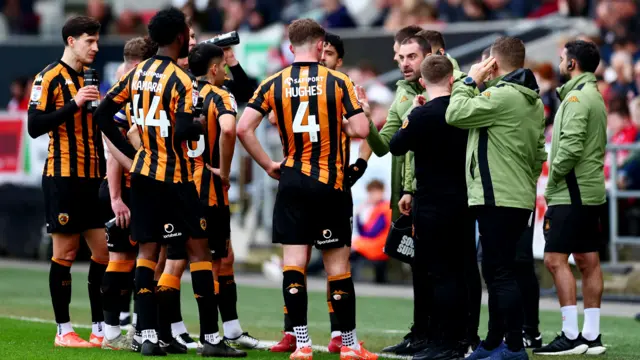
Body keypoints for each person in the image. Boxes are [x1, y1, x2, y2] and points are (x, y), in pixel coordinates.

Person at [94, 7, 245, 357]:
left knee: (147, 254)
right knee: (198, 252)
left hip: (145, 177)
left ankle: (147, 335)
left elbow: (103, 114)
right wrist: (193, 125)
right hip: (177, 178)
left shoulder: (138, 73)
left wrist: (130, 156)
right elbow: (181, 130)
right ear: (180, 37)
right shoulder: (184, 81)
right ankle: (211, 339)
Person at [237, 18, 375, 360]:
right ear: (319, 46)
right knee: (337, 269)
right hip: (330, 182)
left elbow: (243, 128)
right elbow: (360, 129)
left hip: (293, 180)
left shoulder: (273, 82)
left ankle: (301, 345)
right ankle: (349, 346)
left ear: (289, 47)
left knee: (293, 264)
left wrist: (269, 164)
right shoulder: (340, 81)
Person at [446, 36, 547, 360]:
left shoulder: (503, 95)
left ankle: (514, 347)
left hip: (498, 197)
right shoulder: (529, 98)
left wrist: (469, 79)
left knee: (500, 273)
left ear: (493, 63)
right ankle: (493, 342)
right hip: (514, 197)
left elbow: (456, 113)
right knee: (497, 270)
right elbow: (538, 154)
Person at [27, 15, 108, 348]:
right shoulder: (49, 77)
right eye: (89, 41)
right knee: (67, 251)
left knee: (104, 253)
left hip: (92, 177)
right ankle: (64, 330)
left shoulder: (90, 79)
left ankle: (101, 328)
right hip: (63, 175)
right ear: (71, 41)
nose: (96, 47)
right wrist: (75, 105)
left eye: (97, 41)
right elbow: (34, 125)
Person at [390, 54, 473, 360]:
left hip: (431, 206)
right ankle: (460, 339)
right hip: (464, 202)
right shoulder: (464, 111)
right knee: (459, 273)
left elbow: (395, 145)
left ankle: (444, 343)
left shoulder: (422, 115)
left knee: (439, 275)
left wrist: (411, 112)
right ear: (452, 78)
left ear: (422, 82)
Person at [271, 31, 346, 353]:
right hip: (317, 181)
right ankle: (294, 332)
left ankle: (338, 333)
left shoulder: (342, 85)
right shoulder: (302, 86)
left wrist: (357, 167)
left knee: (334, 264)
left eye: (329, 53)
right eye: (322, 50)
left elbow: (366, 132)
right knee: (301, 263)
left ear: (337, 59)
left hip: (335, 181)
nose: (323, 57)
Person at [533, 40, 607, 356]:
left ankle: (571, 334)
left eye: (562, 58)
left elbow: (571, 148)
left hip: (571, 191)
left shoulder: (576, 97)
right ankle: (590, 336)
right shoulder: (593, 94)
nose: (560, 62)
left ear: (573, 64)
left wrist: (552, 174)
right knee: (588, 261)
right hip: (588, 190)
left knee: (554, 260)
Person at [187, 42, 261, 349]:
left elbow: (245, 88)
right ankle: (213, 334)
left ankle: (165, 330)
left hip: (180, 185)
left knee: (186, 258)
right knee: (212, 259)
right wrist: (224, 169)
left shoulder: (185, 91)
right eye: (224, 65)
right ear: (214, 68)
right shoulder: (219, 95)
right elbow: (229, 130)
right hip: (210, 188)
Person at [99, 36, 157, 351]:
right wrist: (116, 197)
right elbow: (111, 151)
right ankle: (110, 332)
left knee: (146, 260)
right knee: (121, 260)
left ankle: (140, 327)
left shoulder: (139, 90)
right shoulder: (125, 92)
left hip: (146, 188)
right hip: (125, 189)